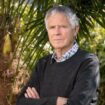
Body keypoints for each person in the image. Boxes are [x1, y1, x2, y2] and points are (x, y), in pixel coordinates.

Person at [16, 5, 100, 105]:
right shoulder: (43, 64)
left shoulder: (87, 62)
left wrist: (38, 102)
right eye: (52, 27)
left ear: (75, 30)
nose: (56, 32)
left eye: (63, 27)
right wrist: (56, 101)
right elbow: (21, 102)